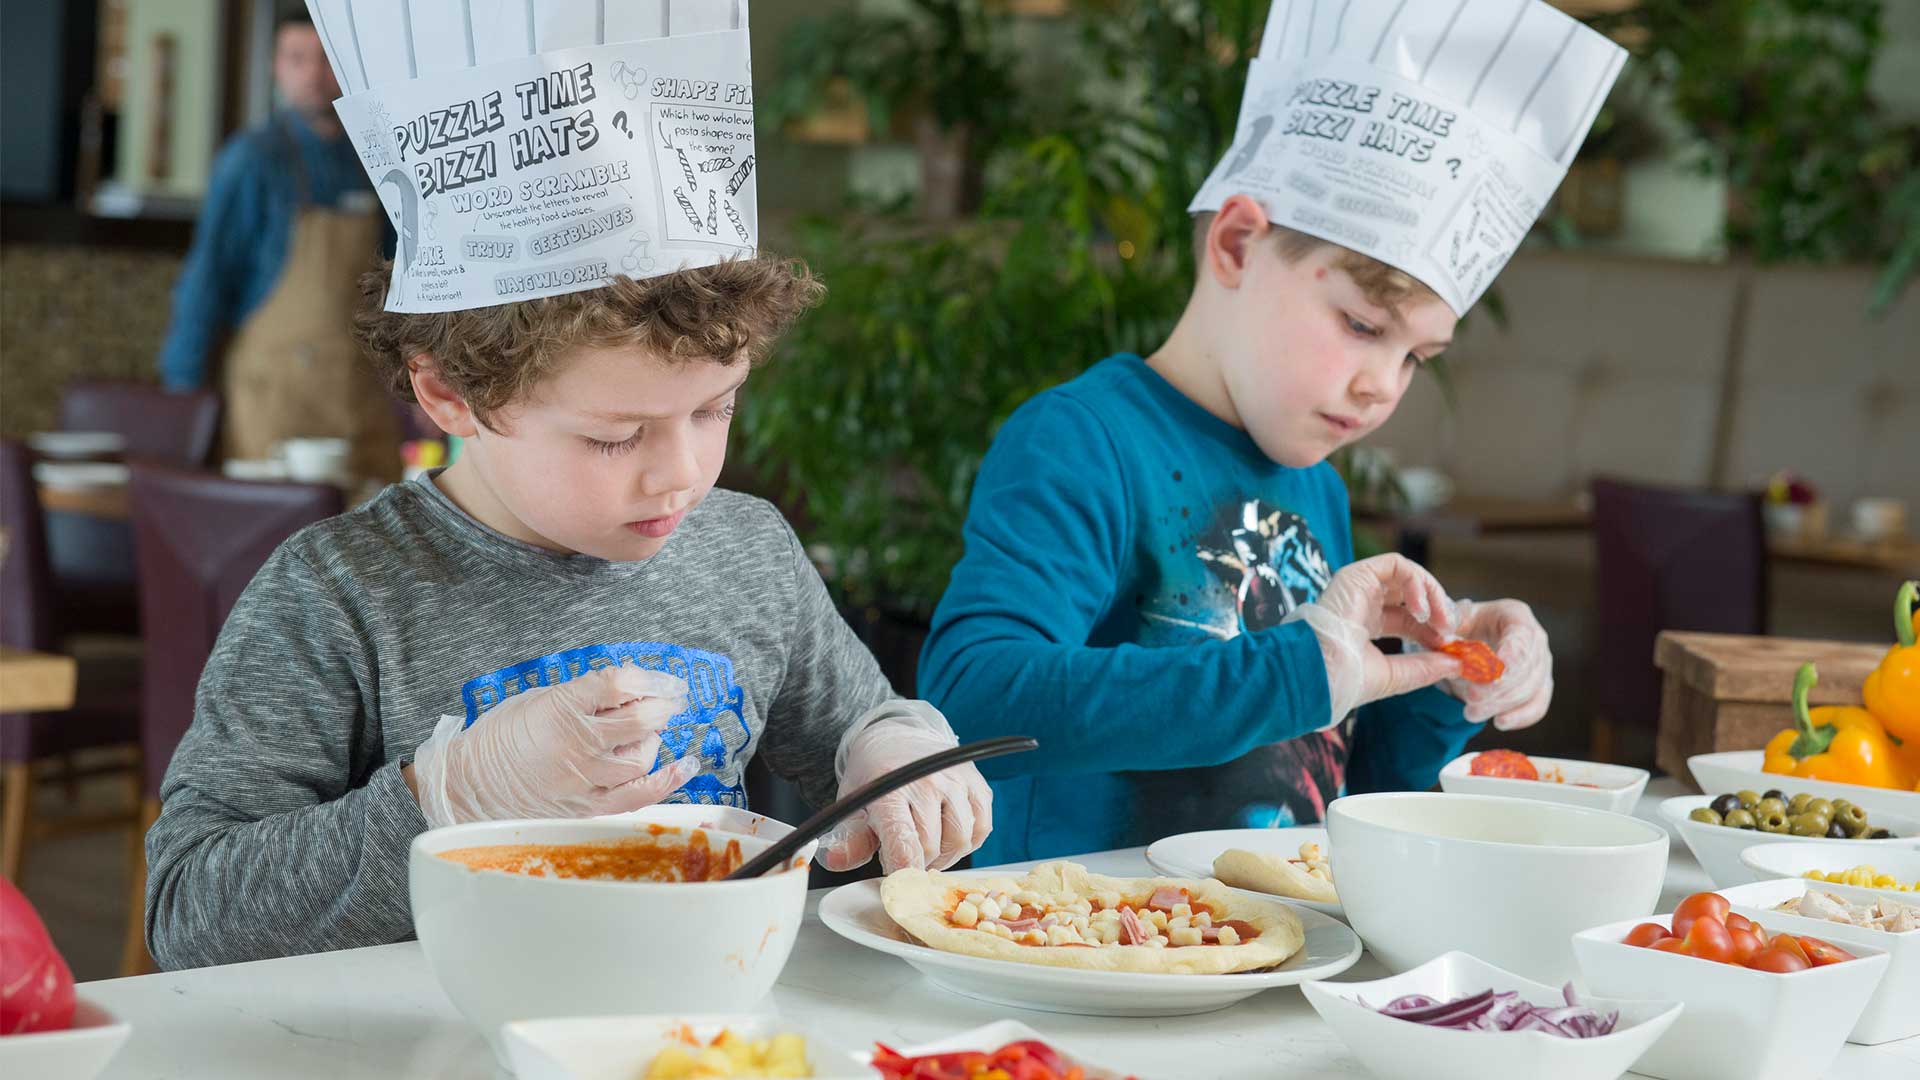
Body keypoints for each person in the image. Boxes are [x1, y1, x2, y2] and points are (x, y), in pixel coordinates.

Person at [143, 12, 991, 970]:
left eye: (717, 410)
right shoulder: (338, 593)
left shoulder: (745, 550)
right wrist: (445, 797)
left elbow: (853, 728)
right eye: (613, 435)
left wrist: (890, 755)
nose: (681, 473)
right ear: (449, 394)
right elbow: (188, 915)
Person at [918, 0, 1621, 864]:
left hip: (1277, 947)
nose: (1382, 387)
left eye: (1417, 358)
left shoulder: (1314, 482)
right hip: (1078, 955)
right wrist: (1296, 672)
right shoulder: (1083, 441)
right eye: (1364, 327)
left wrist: (1447, 680)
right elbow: (974, 695)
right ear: (1239, 244)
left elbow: (1345, 781)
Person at [156, 12, 399, 482]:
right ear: (276, 67)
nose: (313, 73)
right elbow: (206, 282)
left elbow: (406, 280)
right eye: (297, 58)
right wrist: (182, 401)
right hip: (273, 402)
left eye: (328, 60)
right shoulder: (250, 161)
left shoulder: (378, 159)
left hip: (358, 395)